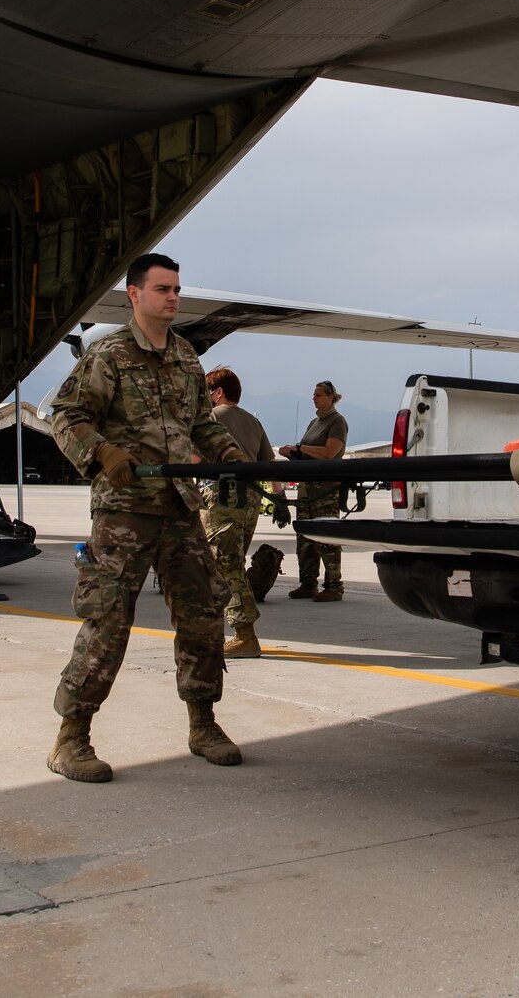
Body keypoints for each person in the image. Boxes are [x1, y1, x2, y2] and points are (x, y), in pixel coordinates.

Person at [45, 253, 252, 783]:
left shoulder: (185, 356)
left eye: (177, 289)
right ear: (134, 294)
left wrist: (232, 455)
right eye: (163, 289)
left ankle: (203, 724)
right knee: (108, 619)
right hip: (125, 511)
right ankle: (71, 737)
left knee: (204, 613)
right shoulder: (109, 354)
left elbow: (201, 424)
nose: (173, 297)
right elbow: (66, 415)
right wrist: (101, 452)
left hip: (179, 506)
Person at [200, 365, 274, 659]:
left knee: (225, 565)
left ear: (217, 393)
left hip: (223, 495)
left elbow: (193, 456)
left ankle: (245, 635)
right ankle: (227, 629)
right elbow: (268, 463)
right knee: (233, 563)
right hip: (251, 496)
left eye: (207, 391)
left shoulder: (211, 417)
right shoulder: (253, 422)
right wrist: (279, 498)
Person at [279, 380, 349, 601]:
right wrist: (292, 453)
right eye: (313, 395)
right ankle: (308, 583)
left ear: (330, 397)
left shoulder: (337, 422)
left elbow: (329, 452)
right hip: (306, 490)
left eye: (318, 395)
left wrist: (300, 448)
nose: (314, 398)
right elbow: (310, 453)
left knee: (327, 537)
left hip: (325, 490)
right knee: (305, 539)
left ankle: (334, 585)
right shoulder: (314, 423)